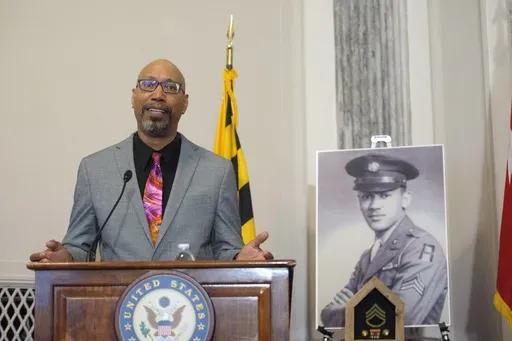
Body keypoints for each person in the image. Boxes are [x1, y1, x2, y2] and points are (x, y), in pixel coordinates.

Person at [29, 59, 273, 263]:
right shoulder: (94, 170)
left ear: (185, 102)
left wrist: (239, 259)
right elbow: (81, 246)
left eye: (170, 87)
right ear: (134, 97)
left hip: (192, 307)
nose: (158, 95)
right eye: (148, 85)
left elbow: (225, 248)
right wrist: (67, 258)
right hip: (118, 306)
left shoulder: (216, 171)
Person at [320, 153, 448, 327]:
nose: (374, 206)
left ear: (405, 199)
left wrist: (349, 307)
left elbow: (401, 318)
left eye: (385, 195)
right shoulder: (368, 256)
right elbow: (327, 316)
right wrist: (358, 309)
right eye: (366, 197)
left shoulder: (422, 248)